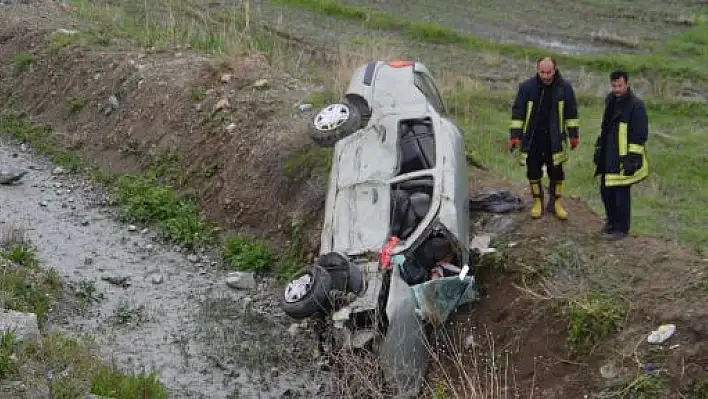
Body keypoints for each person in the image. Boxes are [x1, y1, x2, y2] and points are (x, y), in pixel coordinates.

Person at [508, 56, 579, 220]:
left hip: (555, 138)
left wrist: (574, 134)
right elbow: (518, 112)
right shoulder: (527, 87)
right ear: (537, 70)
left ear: (555, 70)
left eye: (549, 72)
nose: (546, 76)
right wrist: (515, 136)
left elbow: (571, 113)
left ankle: (556, 203)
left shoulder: (565, 88)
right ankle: (537, 202)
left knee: (557, 173)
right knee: (533, 171)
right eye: (542, 72)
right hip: (533, 138)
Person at [594, 70, 649, 240]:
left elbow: (639, 135)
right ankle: (611, 222)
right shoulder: (610, 100)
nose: (617, 89)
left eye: (620, 85)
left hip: (624, 157)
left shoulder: (636, 106)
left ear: (627, 83)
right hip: (609, 153)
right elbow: (605, 127)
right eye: (614, 85)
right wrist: (599, 149)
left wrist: (632, 160)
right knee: (605, 189)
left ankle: (621, 229)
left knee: (621, 193)